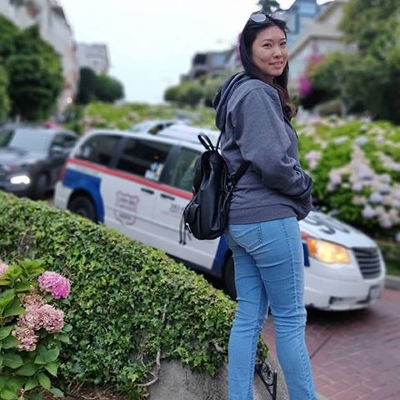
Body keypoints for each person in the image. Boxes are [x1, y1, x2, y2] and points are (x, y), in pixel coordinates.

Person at [213, 11, 317, 400]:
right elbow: (273, 162)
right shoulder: (257, 93)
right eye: (267, 45)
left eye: (282, 44)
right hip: (268, 219)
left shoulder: (239, 91)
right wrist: (304, 186)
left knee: (249, 317)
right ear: (248, 50)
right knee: (290, 321)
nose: (278, 53)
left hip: (241, 222)